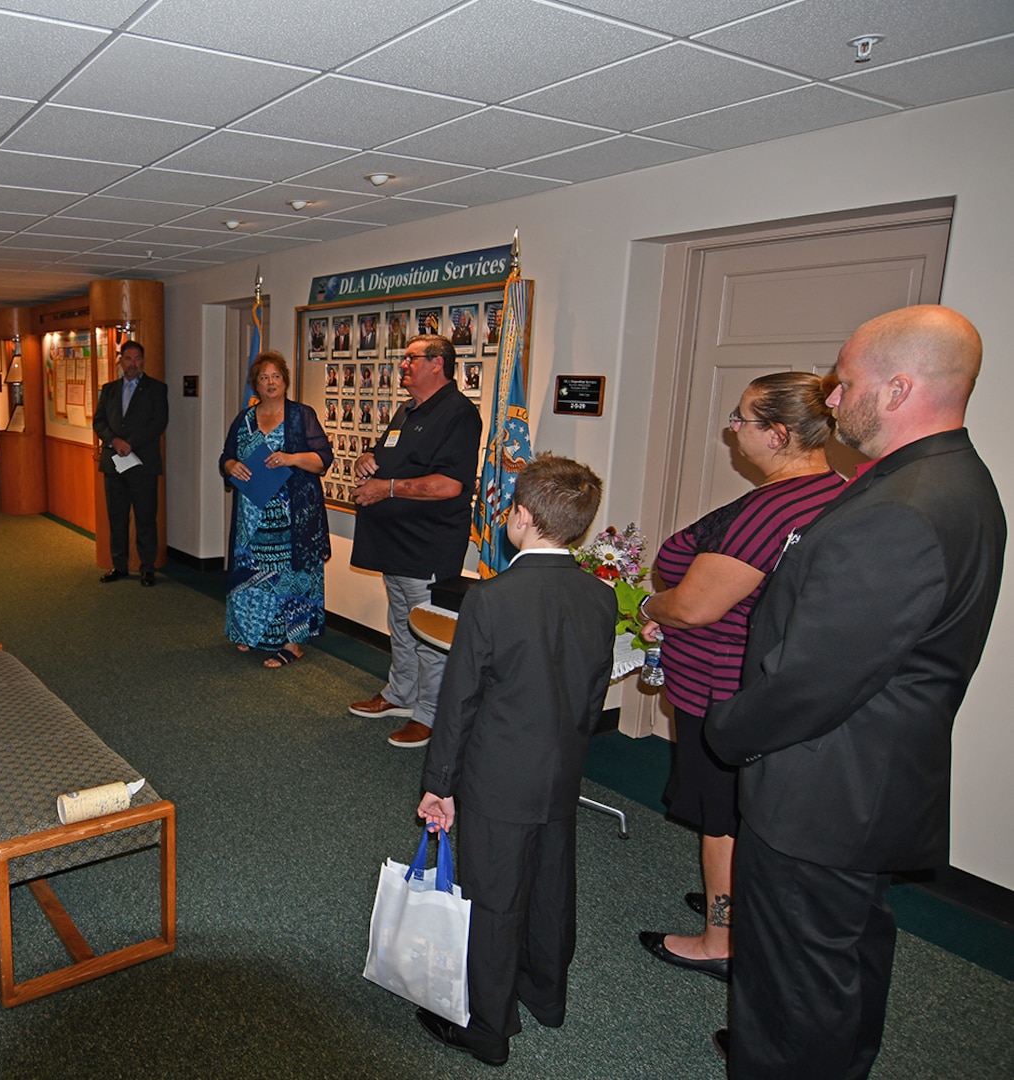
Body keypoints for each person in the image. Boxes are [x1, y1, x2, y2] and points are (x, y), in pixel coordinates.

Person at [705, 305, 1005, 1076]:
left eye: (846, 382)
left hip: (823, 791)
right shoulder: (953, 478)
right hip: (872, 783)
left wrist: (728, 730)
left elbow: (814, 681)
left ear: (900, 387)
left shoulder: (902, 510)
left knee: (791, 989)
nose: (831, 399)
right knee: (843, 961)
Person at [634, 373, 845, 982]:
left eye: (741, 419)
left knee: (720, 817)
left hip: (720, 689)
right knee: (746, 809)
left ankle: (719, 938)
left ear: (777, 435)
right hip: (757, 685)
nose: (733, 428)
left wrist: (651, 610)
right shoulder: (832, 489)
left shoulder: (773, 506)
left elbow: (697, 606)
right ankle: (741, 908)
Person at [414, 454, 617, 1067]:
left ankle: (486, 1029)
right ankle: (545, 993)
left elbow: (459, 704)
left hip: (496, 775)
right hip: (560, 769)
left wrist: (439, 785)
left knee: (493, 897)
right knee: (551, 884)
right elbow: (590, 694)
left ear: (521, 517)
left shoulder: (491, 600)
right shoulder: (600, 596)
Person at [347, 335, 483, 747]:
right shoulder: (408, 409)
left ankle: (429, 715)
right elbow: (392, 455)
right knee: (402, 624)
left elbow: (448, 485)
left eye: (411, 358)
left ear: (438, 363)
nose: (402, 365)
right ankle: (400, 694)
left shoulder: (459, 414)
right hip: (393, 540)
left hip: (428, 543)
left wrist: (385, 489)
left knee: (429, 630)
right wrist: (364, 459)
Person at [219, 351, 333, 667]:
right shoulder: (243, 419)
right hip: (251, 519)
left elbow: (323, 459)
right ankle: (250, 633)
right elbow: (225, 457)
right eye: (264, 377)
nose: (270, 382)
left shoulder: (301, 415)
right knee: (252, 575)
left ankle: (292, 644)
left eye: (276, 376)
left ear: (285, 381)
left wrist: (291, 458)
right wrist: (231, 466)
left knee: (290, 579)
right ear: (255, 384)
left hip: (292, 517)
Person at [93, 341, 168, 586]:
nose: (133, 364)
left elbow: (158, 423)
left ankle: (148, 568)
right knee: (117, 518)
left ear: (142, 362)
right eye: (128, 358)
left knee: (146, 518)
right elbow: (99, 422)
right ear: (120, 361)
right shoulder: (109, 389)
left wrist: (130, 444)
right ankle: (120, 566)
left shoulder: (156, 389)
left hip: (142, 464)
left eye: (137, 359)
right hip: (113, 464)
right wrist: (114, 441)